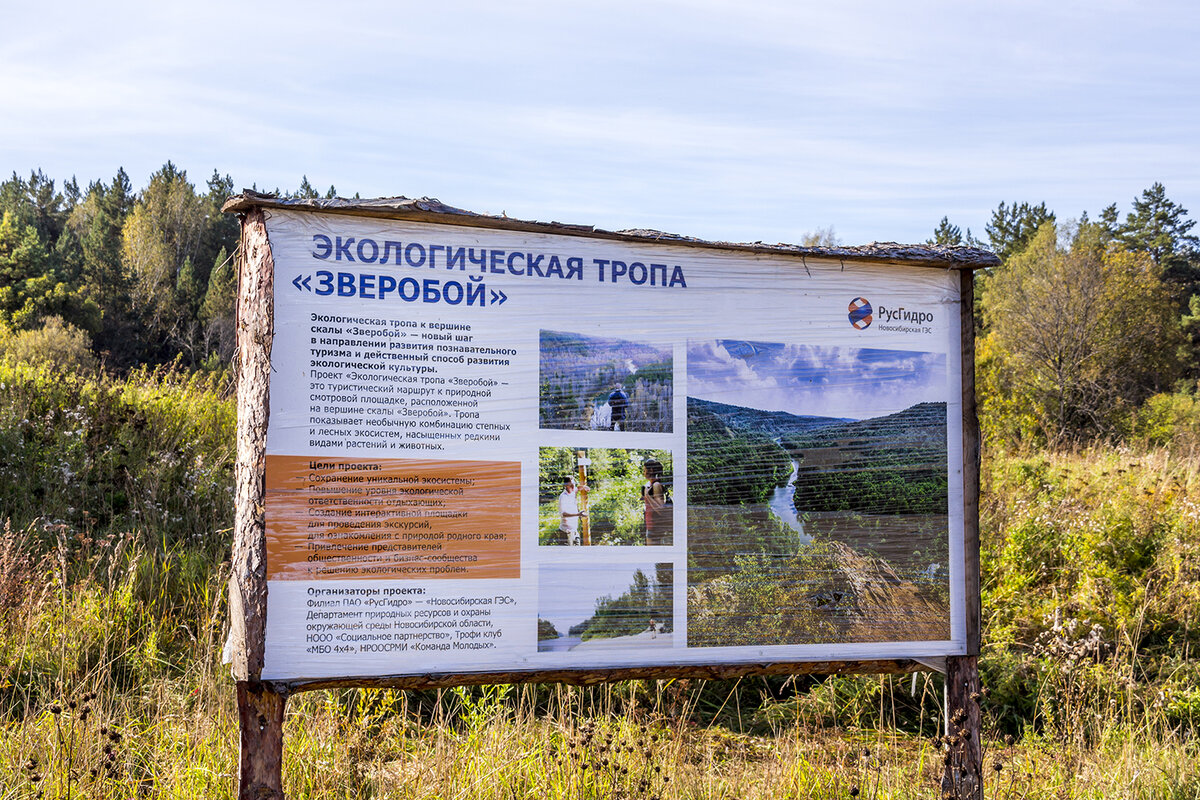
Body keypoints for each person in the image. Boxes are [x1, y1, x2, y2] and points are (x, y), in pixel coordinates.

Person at [641, 459, 672, 546]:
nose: (643, 473)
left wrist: (647, 496)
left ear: (651, 470)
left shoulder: (656, 485)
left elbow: (661, 510)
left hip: (655, 528)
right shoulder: (650, 484)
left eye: (644, 470)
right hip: (650, 525)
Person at [557, 476, 586, 545]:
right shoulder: (563, 497)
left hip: (575, 532)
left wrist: (584, 487)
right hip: (566, 533)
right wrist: (578, 514)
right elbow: (563, 514)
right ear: (566, 485)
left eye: (574, 484)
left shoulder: (573, 492)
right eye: (571, 485)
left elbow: (578, 488)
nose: (573, 486)